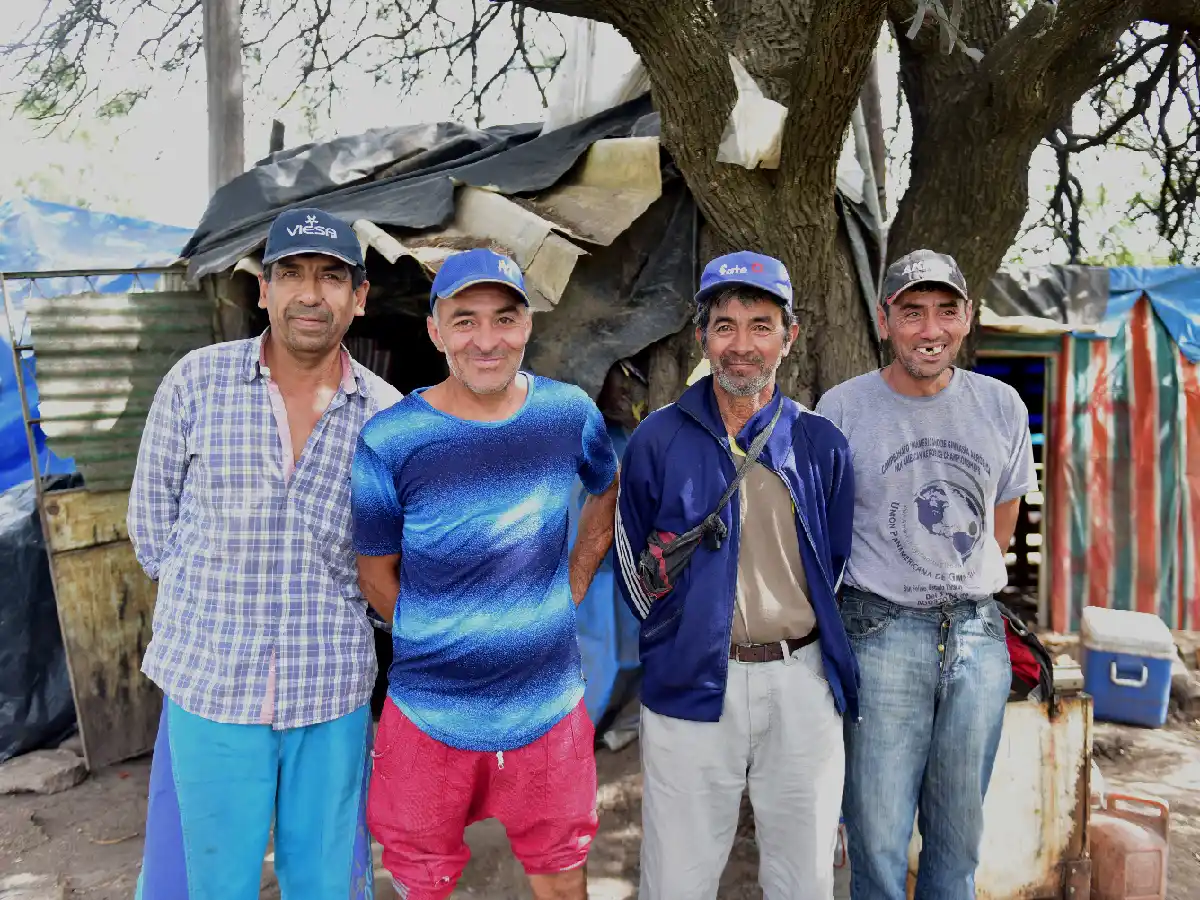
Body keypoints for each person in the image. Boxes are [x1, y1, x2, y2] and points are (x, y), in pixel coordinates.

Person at [127, 208, 401, 899]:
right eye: (292, 274)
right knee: (201, 882)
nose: (311, 294)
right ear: (264, 289)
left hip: (330, 691)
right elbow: (151, 527)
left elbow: (392, 556)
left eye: (332, 277)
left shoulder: (389, 417)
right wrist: (213, 609)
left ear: (359, 296)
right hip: (211, 689)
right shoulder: (197, 382)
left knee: (326, 882)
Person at [352, 247, 620, 900]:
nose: (487, 340)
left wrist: (574, 585)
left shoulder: (568, 415)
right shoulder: (391, 440)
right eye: (465, 320)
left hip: (548, 709)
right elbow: (372, 570)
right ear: (436, 330)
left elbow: (606, 491)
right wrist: (436, 634)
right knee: (422, 878)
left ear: (528, 326)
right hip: (427, 713)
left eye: (504, 318)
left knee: (561, 874)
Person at [614, 251, 859, 900]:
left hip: (800, 680)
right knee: (677, 876)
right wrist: (678, 636)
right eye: (725, 326)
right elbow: (632, 562)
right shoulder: (657, 441)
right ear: (702, 337)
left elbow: (833, 564)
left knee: (804, 875)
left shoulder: (821, 444)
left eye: (760, 324)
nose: (742, 345)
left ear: (789, 336)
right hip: (690, 678)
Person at [815, 249, 1037, 900]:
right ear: (885, 321)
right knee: (878, 836)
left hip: (977, 637)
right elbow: (826, 532)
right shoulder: (843, 408)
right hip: (879, 630)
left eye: (946, 310)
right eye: (912, 312)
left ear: (968, 319)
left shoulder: (1001, 406)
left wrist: (956, 583)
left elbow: (1001, 526)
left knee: (958, 836)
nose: (930, 329)